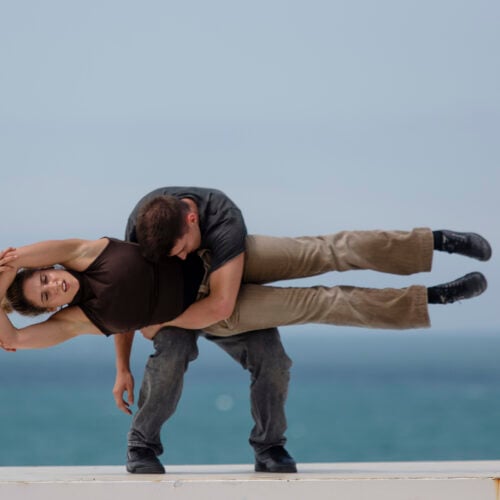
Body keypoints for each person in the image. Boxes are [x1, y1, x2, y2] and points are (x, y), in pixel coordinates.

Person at [0, 224, 490, 467]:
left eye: (46, 279)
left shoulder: (84, 252)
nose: (52, 287)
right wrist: (122, 367)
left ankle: (434, 242)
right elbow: (14, 339)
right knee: (323, 302)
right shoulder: (79, 321)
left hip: (226, 258)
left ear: (52, 268)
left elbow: (15, 255)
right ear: (47, 308)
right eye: (44, 295)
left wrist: (7, 272)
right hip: (219, 311)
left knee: (328, 250)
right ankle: (433, 298)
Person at [117, 187, 297, 475]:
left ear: (192, 219)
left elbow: (221, 306)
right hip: (171, 305)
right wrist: (122, 368)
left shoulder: (224, 217)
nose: (179, 259)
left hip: (221, 301)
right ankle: (141, 445)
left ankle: (270, 447)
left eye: (182, 250)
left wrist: (162, 323)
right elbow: (127, 300)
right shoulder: (141, 227)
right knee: (174, 352)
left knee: (273, 358)